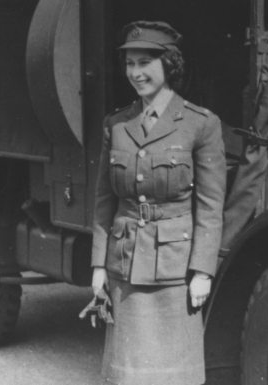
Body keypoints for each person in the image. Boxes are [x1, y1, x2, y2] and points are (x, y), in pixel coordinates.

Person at [87, 20, 226, 385]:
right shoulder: (116, 124)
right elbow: (105, 199)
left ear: (170, 64)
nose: (135, 73)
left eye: (145, 62)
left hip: (175, 269)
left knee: (175, 373)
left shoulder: (200, 124)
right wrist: (98, 266)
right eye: (130, 64)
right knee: (128, 372)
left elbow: (210, 207)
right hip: (126, 263)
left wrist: (202, 272)